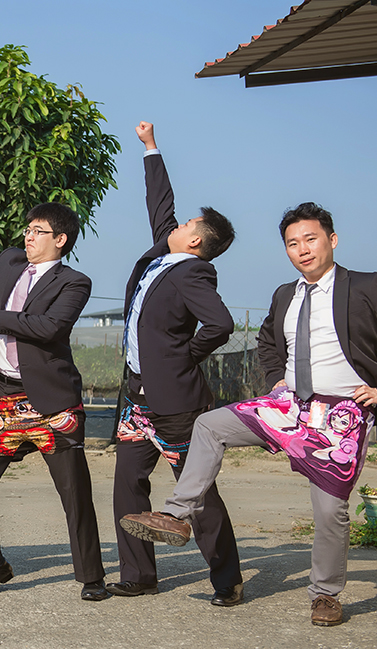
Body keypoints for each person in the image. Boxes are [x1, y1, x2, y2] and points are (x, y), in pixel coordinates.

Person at [121, 202, 377, 626]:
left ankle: (325, 595)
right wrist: (275, 378)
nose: (302, 249)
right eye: (292, 243)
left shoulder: (366, 285)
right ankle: (176, 515)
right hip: (287, 405)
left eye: (311, 239)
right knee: (209, 424)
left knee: (330, 512)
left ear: (332, 240)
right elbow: (268, 341)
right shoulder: (285, 294)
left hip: (339, 414)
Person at [0, 179, 109, 601]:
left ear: (60, 240)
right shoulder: (7, 263)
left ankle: (92, 577)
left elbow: (50, 327)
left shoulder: (74, 282)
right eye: (28, 228)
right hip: (4, 397)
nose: (28, 236)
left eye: (38, 231)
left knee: (73, 491)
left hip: (52, 401)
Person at [109, 121, 243, 605]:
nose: (177, 224)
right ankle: (138, 575)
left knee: (197, 494)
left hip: (176, 405)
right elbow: (159, 204)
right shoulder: (162, 257)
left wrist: (181, 358)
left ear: (195, 242)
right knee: (128, 485)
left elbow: (220, 324)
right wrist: (150, 148)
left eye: (186, 224)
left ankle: (227, 580)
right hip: (136, 400)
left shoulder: (193, 272)